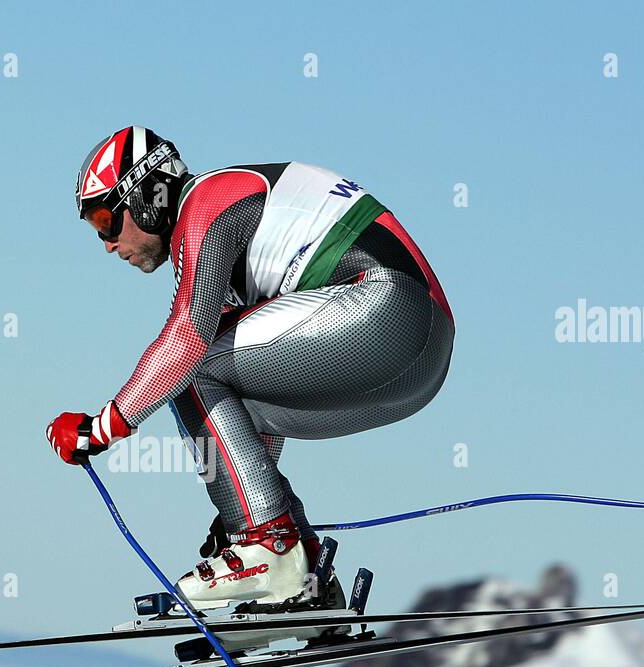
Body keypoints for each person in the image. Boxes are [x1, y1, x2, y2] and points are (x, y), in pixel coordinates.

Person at [46, 126, 455, 610]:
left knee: (192, 366)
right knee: (230, 388)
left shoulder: (207, 204)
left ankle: (271, 546)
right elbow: (246, 403)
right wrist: (234, 511)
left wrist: (100, 429)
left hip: (386, 310)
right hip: (418, 356)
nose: (108, 244)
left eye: (105, 221)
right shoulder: (230, 232)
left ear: (148, 196)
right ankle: (304, 574)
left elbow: (186, 341)